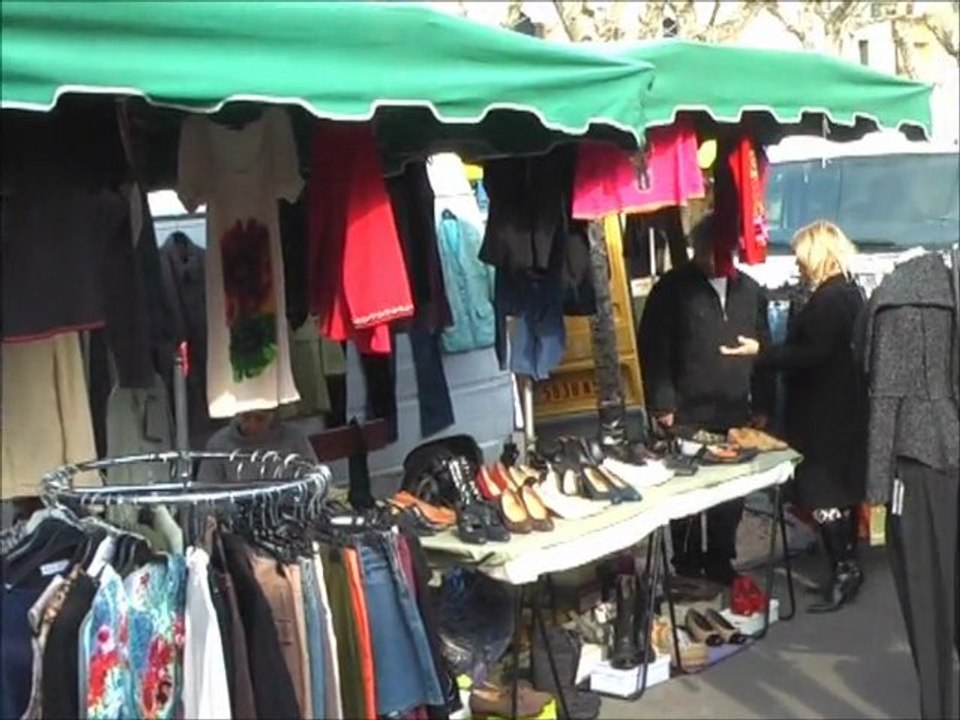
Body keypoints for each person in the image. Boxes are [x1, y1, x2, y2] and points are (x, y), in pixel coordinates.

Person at [721, 220, 867, 612]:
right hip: (842, 406)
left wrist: (762, 354)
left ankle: (844, 570)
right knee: (840, 490)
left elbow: (810, 354)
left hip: (825, 411)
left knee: (824, 493)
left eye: (804, 258)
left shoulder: (829, 300)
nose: (799, 267)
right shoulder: (850, 292)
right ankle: (847, 565)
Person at [638, 211, 774, 585]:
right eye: (708, 250)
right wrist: (662, 402)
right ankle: (684, 559)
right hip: (686, 408)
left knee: (729, 493)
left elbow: (764, 349)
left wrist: (761, 403)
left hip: (733, 406)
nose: (714, 258)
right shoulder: (672, 289)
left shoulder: (750, 290)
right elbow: (655, 348)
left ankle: (719, 557)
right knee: (685, 490)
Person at [197, 409, 319, 483]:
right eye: (246, 417)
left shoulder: (294, 437)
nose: (252, 425)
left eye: (260, 418)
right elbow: (205, 489)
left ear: (272, 415)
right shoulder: (219, 443)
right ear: (237, 415)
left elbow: (314, 479)